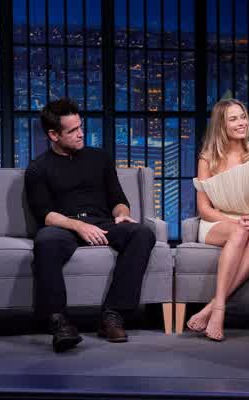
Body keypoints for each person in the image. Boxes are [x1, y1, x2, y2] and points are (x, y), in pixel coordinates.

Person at [24, 98, 156, 352]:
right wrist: (78, 226)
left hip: (103, 223)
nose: (81, 133)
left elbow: (118, 200)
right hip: (64, 227)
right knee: (45, 241)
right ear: (53, 135)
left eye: (80, 127)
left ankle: (113, 315)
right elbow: (45, 215)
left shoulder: (100, 158)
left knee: (142, 233)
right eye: (72, 130)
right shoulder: (38, 169)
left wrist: (122, 214)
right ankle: (59, 322)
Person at [186, 98, 249, 341]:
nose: (241, 122)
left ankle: (212, 306)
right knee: (240, 232)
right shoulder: (208, 158)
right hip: (216, 222)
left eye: (243, 117)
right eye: (233, 119)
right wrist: (234, 223)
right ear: (221, 125)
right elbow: (204, 209)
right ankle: (219, 311)